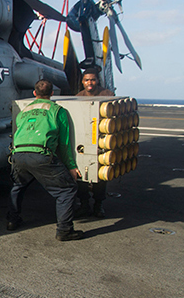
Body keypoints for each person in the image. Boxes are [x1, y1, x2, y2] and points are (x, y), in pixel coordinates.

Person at [7, 79, 83, 241]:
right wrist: (71, 166)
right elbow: (64, 143)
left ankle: (12, 221)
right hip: (40, 154)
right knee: (66, 190)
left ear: (34, 93)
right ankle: (64, 230)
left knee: (18, 186)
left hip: (18, 155)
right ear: (52, 93)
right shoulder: (57, 110)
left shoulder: (24, 111)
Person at [75, 69, 115, 218]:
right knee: (81, 175)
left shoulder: (107, 95)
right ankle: (84, 204)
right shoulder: (78, 97)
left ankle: (98, 205)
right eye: (86, 80)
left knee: (99, 176)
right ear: (82, 82)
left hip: (101, 141)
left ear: (97, 80)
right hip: (83, 141)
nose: (89, 83)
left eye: (92, 80)